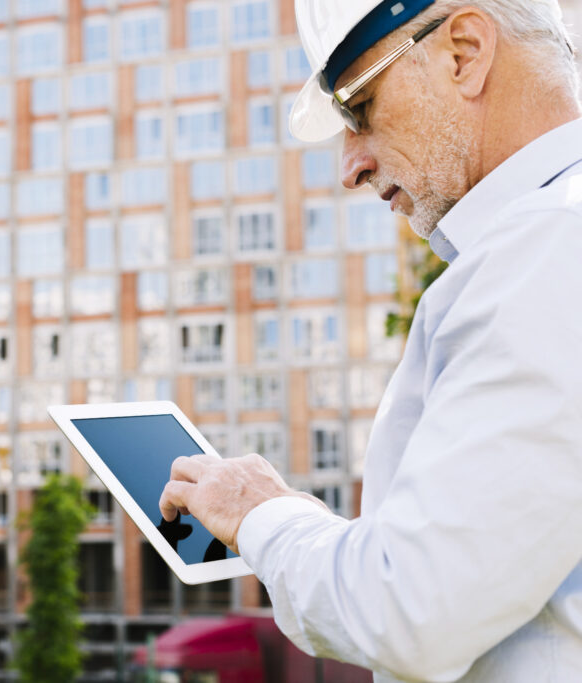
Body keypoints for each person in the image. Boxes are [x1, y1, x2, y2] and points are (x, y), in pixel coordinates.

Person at [158, 1, 582, 681]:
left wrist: (260, 513)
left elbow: (413, 606)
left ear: (464, 52)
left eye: (360, 105)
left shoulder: (549, 247)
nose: (349, 166)